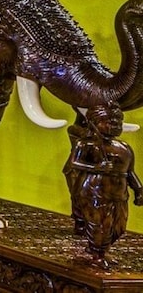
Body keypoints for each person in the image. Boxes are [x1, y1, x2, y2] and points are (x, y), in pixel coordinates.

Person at [63, 102, 143, 267]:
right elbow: (74, 163)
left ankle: (100, 250)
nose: (115, 125)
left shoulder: (124, 148)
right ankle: (97, 254)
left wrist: (138, 189)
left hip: (119, 194)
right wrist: (97, 167)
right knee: (99, 225)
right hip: (94, 192)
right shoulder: (86, 144)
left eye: (118, 122)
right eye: (109, 122)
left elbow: (129, 172)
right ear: (94, 122)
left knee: (118, 227)